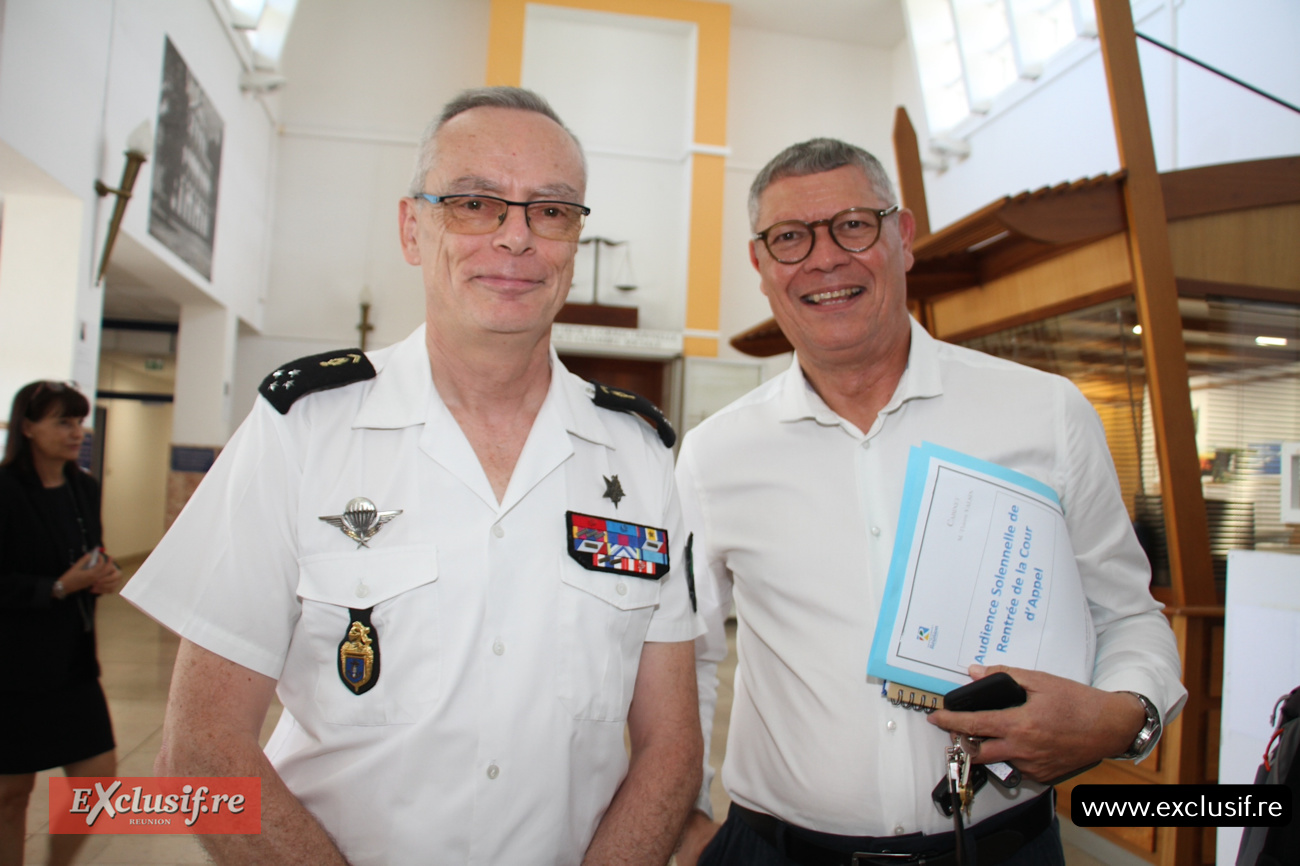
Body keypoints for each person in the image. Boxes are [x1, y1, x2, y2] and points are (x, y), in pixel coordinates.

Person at [122, 87, 701, 865]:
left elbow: (672, 746)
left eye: (552, 210)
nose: (517, 236)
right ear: (411, 227)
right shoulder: (304, 428)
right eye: (474, 203)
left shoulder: (638, 454)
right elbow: (199, 748)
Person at [675, 138, 1187, 866]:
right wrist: (688, 823)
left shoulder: (1044, 415)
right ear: (760, 265)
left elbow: (1128, 615)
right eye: (790, 238)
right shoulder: (716, 454)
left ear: (903, 236)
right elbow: (684, 655)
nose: (824, 259)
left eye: (853, 226)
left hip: (1003, 850)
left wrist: (1123, 717)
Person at [1, 381, 120, 866]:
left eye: (79, 422)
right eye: (63, 422)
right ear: (28, 427)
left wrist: (103, 573)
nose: (76, 433)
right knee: (11, 794)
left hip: (71, 662)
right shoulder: (5, 490)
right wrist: (55, 587)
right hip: (12, 668)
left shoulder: (82, 488)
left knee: (98, 780)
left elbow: (90, 552)